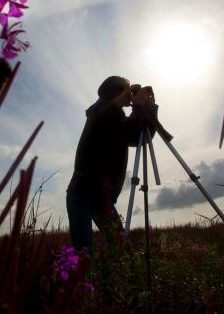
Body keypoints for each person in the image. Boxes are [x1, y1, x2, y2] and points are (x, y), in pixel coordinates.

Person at [66, 75, 157, 254]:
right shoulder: (102, 113)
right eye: (127, 90)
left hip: (100, 196)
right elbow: (128, 131)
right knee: (83, 254)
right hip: (83, 195)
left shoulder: (113, 116)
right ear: (115, 92)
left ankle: (113, 280)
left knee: (121, 249)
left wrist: (149, 108)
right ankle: (80, 282)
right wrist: (139, 106)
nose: (130, 95)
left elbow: (138, 136)